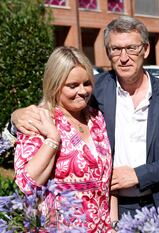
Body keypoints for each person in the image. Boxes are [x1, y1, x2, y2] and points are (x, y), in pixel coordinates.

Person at [11, 16, 159, 228]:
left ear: (145, 50)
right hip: (104, 210)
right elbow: (51, 103)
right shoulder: (92, 90)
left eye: (131, 48)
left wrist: (138, 175)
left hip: (158, 204)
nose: (123, 57)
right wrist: (16, 116)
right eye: (115, 49)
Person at [13, 47, 114, 231]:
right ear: (55, 85)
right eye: (73, 85)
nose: (83, 91)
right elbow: (27, 183)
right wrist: (53, 138)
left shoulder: (96, 118)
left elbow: (106, 180)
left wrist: (112, 224)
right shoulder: (40, 119)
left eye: (87, 83)